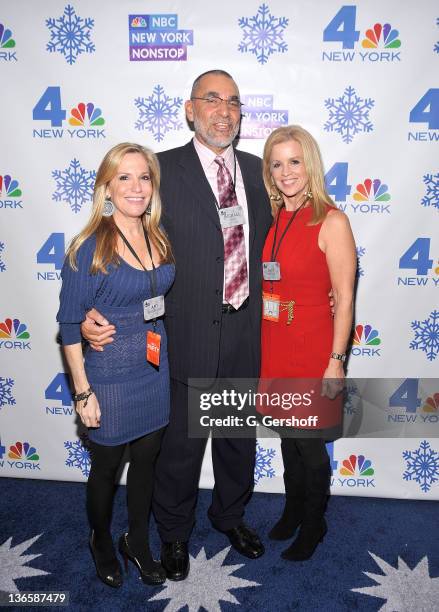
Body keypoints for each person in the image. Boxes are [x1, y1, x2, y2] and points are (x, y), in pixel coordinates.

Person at [80, 70, 273, 579]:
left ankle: (230, 517)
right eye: (212, 99)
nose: (223, 110)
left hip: (242, 333)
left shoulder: (258, 173)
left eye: (233, 101)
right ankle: (173, 535)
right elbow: (117, 235)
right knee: (179, 454)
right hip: (183, 334)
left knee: (235, 443)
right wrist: (89, 308)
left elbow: (283, 242)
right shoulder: (160, 170)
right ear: (191, 110)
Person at [57, 143, 175, 587]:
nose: (136, 187)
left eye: (144, 177)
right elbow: (70, 324)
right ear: (106, 186)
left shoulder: (158, 235)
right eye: (124, 177)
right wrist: (82, 393)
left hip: (154, 368)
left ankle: (137, 540)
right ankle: (101, 539)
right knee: (107, 468)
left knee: (146, 463)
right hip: (108, 376)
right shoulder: (88, 246)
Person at [259, 125, 356, 561]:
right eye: (277, 164)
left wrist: (336, 361)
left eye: (294, 161)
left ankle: (315, 522)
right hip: (276, 345)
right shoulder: (275, 217)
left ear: (310, 164)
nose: (286, 172)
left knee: (309, 443)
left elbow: (346, 298)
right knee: (287, 438)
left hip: (314, 348)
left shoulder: (332, 220)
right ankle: (294, 508)